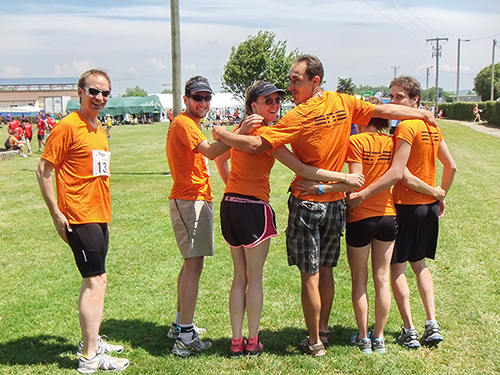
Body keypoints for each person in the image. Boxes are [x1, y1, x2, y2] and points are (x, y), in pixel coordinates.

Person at [212, 54, 438, 357]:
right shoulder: (343, 102)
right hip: (336, 205)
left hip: (308, 203)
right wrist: (421, 113)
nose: (290, 85)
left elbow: (257, 145)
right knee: (328, 270)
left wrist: (222, 134)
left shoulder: (298, 115)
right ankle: (325, 330)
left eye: (296, 80)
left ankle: (316, 341)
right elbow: (384, 109)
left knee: (312, 275)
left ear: (315, 81)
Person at [214, 81, 364, 357]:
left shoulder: (240, 130)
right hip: (253, 207)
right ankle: (251, 341)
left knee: (239, 277)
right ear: (253, 106)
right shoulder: (266, 135)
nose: (275, 105)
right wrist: (344, 177)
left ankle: (236, 341)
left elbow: (220, 159)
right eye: (267, 101)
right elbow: (301, 168)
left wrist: (231, 184)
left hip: (230, 205)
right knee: (254, 278)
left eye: (276, 100)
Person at [347, 76, 456, 349]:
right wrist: (439, 193)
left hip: (405, 206)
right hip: (427, 207)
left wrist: (433, 193)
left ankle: (409, 329)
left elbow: (401, 175)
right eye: (391, 97)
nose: (393, 103)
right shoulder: (433, 128)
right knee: (419, 264)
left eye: (399, 97)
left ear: (414, 101)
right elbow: (451, 166)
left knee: (395, 271)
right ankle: (431, 322)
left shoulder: (406, 127)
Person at [36, 69, 129, 374]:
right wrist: (56, 213)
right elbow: (43, 170)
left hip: (99, 215)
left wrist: (105, 218)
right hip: (78, 215)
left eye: (105, 93)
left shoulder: (99, 129)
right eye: (94, 91)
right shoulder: (67, 127)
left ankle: (91, 341)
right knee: (95, 281)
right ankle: (90, 357)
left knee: (99, 280)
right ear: (80, 92)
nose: (100, 98)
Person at [166, 76, 233, 357]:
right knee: (194, 266)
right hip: (189, 200)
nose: (203, 103)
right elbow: (211, 150)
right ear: (186, 99)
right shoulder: (184, 123)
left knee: (191, 264)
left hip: (196, 198)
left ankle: (181, 323)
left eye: (207, 98)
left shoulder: (190, 124)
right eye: (198, 98)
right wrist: (241, 135)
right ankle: (184, 336)